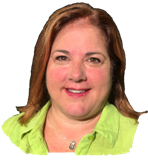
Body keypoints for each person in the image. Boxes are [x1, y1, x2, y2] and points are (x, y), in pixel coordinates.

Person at [1, 2, 148, 155]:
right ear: (43, 66)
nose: (76, 75)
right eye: (62, 58)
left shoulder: (143, 139)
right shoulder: (9, 132)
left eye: (93, 60)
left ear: (114, 69)